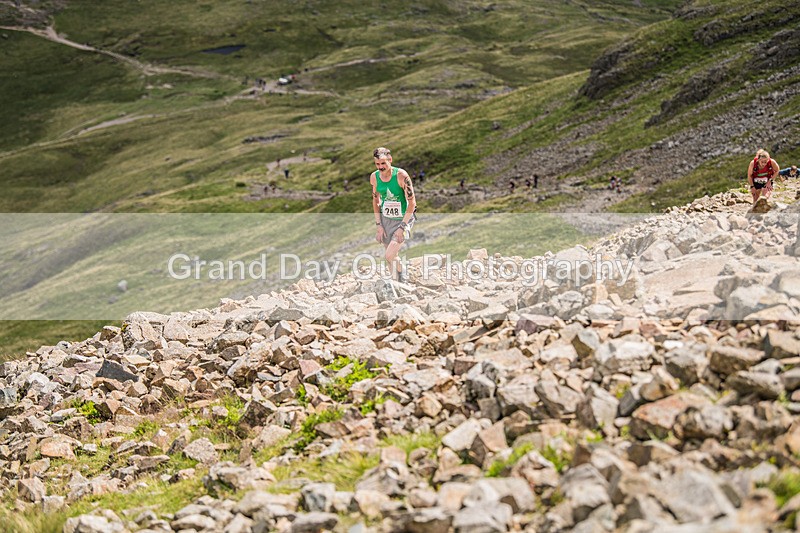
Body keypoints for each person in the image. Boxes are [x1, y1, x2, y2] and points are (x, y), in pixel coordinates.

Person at [371, 147, 416, 283]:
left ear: (390, 160)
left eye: (383, 163)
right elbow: (375, 201)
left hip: (403, 219)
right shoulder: (374, 177)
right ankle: (397, 284)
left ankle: (404, 277)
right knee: (392, 257)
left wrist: (402, 227)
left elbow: (412, 203)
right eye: (377, 164)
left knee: (389, 255)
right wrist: (379, 225)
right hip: (386, 219)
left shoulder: (401, 176)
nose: (381, 167)